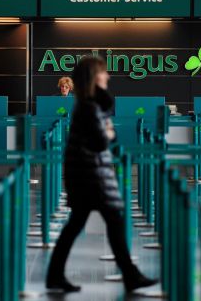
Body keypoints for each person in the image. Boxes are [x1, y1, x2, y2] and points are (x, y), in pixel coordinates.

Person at [46, 57, 157, 293]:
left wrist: (108, 132)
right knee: (109, 222)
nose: (107, 76)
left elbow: (107, 137)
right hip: (91, 177)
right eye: (103, 73)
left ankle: (57, 275)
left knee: (82, 224)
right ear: (94, 77)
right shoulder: (89, 107)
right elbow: (100, 140)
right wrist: (108, 132)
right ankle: (130, 275)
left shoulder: (91, 105)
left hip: (89, 175)